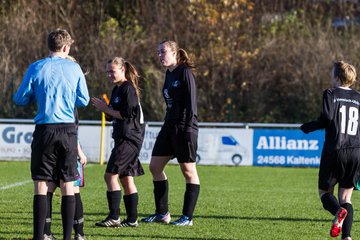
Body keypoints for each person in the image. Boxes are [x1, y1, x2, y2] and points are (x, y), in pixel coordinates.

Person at [13, 28, 90, 240]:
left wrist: (37, 96)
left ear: (49, 46)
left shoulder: (36, 67)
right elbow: (83, 100)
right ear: (66, 47)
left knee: (41, 183)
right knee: (67, 184)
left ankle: (39, 237)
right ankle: (67, 237)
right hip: (67, 130)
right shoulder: (74, 68)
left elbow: (19, 99)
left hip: (44, 130)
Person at [141, 40, 200, 226]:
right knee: (155, 167)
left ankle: (187, 217)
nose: (160, 55)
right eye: (158, 52)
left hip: (185, 127)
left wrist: (188, 127)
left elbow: (191, 104)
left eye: (163, 52)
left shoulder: (185, 72)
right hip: (169, 126)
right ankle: (162, 213)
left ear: (174, 53)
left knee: (188, 171)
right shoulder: (169, 74)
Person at [301, 60, 360, 240]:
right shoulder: (358, 97)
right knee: (346, 196)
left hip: (335, 149)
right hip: (356, 151)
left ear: (336, 76)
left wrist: (309, 126)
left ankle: (338, 212)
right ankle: (347, 237)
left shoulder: (331, 93)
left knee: (325, 193)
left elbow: (326, 117)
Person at [92, 57, 145, 228]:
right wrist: (104, 108)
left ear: (122, 70)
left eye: (112, 71)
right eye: (107, 71)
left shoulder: (128, 89)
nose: (109, 74)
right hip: (123, 138)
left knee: (110, 175)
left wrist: (106, 108)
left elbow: (126, 114)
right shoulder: (117, 89)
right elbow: (112, 115)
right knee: (125, 178)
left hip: (129, 139)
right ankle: (132, 220)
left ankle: (114, 217)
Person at [44, 108, 87, 240]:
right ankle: (78, 233)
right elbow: (71, 130)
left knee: (48, 187)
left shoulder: (51, 99)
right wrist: (79, 151)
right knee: (71, 189)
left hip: (52, 145)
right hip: (68, 147)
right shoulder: (69, 101)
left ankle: (46, 233)